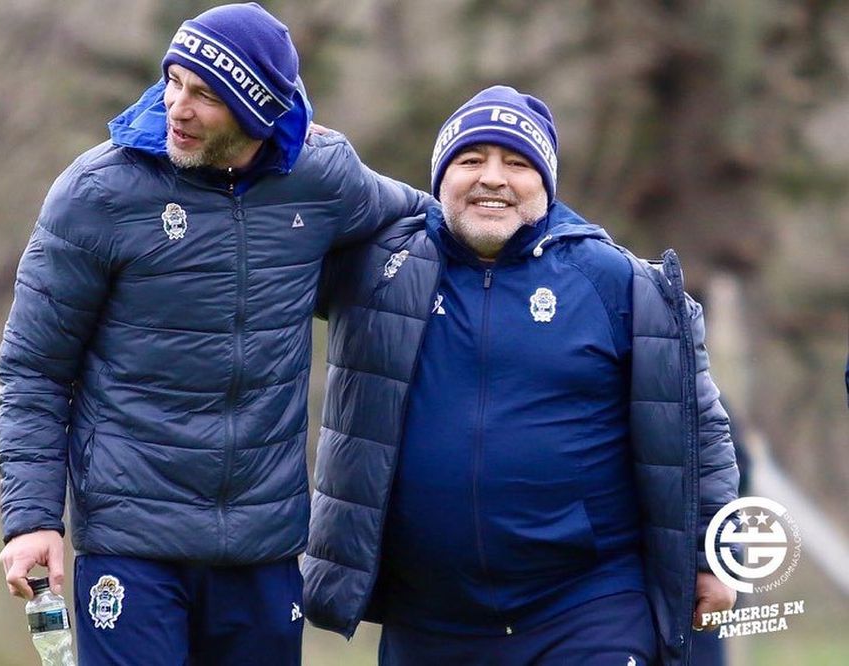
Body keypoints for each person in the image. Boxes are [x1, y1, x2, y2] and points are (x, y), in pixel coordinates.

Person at [0, 3, 429, 664]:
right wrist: (32, 521)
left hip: (264, 549)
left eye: (204, 95)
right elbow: (34, 368)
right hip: (131, 546)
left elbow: (428, 226)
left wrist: (577, 260)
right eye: (173, 82)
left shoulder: (322, 176)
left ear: (258, 115)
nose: (176, 106)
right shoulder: (97, 193)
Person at [303, 86, 739, 665]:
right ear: (439, 180)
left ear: (546, 183)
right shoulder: (381, 266)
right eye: (470, 160)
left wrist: (714, 554)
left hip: (585, 607)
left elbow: (698, 428)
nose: (493, 178)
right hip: (429, 616)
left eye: (517, 162)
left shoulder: (619, 283)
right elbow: (270, 221)